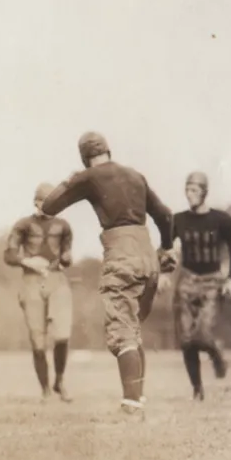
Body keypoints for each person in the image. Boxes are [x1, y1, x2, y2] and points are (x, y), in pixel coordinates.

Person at [41, 132, 176, 419]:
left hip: (121, 254)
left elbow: (48, 206)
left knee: (122, 331)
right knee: (133, 329)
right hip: (147, 255)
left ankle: (131, 405)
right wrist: (165, 249)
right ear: (109, 150)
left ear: (84, 156)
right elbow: (165, 215)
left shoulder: (89, 176)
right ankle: (137, 397)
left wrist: (71, 179)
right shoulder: (135, 175)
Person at [165, 171, 231, 400]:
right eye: (187, 190)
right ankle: (197, 388)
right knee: (186, 339)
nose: (190, 195)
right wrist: (163, 272)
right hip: (187, 280)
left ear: (204, 192)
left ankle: (216, 354)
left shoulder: (221, 220)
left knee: (203, 333)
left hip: (211, 281)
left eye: (195, 190)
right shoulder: (178, 220)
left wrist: (230, 279)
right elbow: (166, 247)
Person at [4, 182, 75, 402]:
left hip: (56, 280)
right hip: (31, 281)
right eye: (45, 200)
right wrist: (28, 262)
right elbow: (9, 255)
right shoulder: (23, 225)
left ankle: (59, 381)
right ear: (36, 202)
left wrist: (65, 260)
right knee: (38, 339)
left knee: (62, 334)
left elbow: (67, 255)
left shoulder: (63, 226)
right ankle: (45, 389)